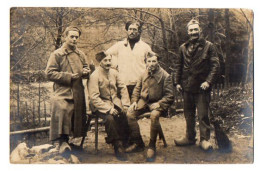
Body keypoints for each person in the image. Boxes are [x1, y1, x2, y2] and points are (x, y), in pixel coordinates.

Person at [173, 19, 220, 151]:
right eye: (191, 30)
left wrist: (208, 81)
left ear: (200, 30)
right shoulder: (183, 48)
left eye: (195, 29)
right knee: (188, 114)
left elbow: (215, 66)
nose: (193, 32)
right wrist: (177, 82)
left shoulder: (209, 46)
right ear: (187, 32)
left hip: (201, 88)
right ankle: (189, 137)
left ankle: (204, 140)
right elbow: (178, 66)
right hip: (186, 87)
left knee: (203, 115)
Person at [45, 26, 91, 154]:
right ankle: (61, 141)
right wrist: (69, 76)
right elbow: (49, 73)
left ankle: (73, 142)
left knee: (78, 114)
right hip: (62, 90)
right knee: (63, 108)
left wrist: (86, 72)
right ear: (65, 37)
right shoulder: (57, 54)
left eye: (76, 37)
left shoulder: (81, 54)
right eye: (72, 36)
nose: (74, 39)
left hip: (77, 90)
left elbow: (86, 68)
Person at [126, 53, 173, 161]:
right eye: (149, 61)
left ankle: (152, 146)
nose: (151, 64)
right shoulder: (143, 74)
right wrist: (134, 102)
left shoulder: (165, 76)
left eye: (154, 61)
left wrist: (160, 103)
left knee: (154, 115)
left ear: (158, 62)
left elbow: (170, 96)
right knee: (129, 114)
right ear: (146, 62)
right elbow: (137, 90)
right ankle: (138, 142)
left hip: (157, 104)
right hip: (144, 102)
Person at [88, 51, 130, 161]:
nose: (108, 63)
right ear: (100, 62)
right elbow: (94, 97)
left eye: (109, 60)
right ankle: (117, 145)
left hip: (114, 102)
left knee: (123, 114)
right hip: (99, 105)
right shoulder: (94, 76)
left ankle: (125, 142)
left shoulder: (114, 73)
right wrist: (109, 109)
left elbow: (123, 88)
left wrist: (125, 104)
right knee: (110, 118)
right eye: (105, 60)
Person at [105, 21, 153, 97]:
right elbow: (106, 55)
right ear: (127, 30)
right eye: (130, 29)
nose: (132, 32)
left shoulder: (145, 47)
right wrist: (113, 68)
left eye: (134, 29)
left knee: (137, 107)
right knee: (124, 106)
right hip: (123, 83)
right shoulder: (119, 45)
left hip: (139, 84)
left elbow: (151, 63)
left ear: (139, 31)